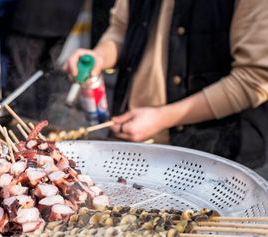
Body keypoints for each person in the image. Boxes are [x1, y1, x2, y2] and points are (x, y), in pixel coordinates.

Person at [65, 0, 268, 168]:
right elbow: (120, 30)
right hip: (131, 143)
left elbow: (254, 79)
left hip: (213, 157)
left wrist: (162, 118)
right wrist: (99, 56)